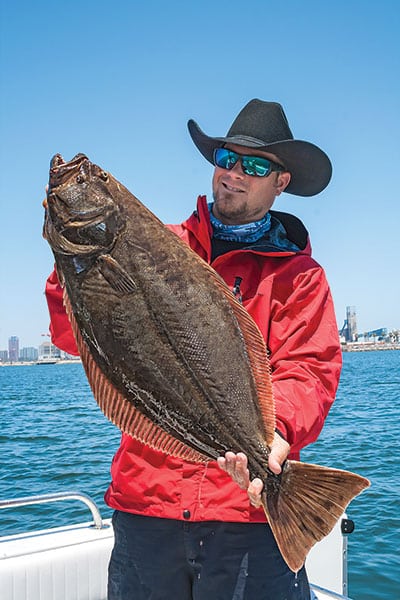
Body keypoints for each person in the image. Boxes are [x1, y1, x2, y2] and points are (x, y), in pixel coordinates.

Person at [45, 99, 342, 600]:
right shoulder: (158, 245)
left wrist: (277, 435)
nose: (233, 174)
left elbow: (308, 370)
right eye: (227, 159)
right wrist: (72, 268)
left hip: (245, 516)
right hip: (148, 508)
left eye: (254, 165)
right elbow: (73, 337)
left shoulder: (299, 277)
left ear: (281, 182)